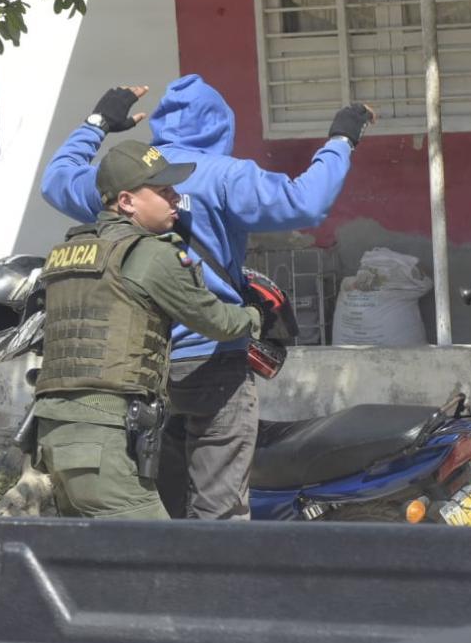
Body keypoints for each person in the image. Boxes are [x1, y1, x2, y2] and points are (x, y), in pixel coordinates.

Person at [42, 77, 375, 519]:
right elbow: (305, 202)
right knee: (218, 507)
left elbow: (56, 180)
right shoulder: (226, 175)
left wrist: (96, 123)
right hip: (212, 356)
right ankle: (216, 577)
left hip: (142, 369)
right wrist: (341, 139)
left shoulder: (125, 183)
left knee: (161, 496)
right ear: (222, 126)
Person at [31, 139, 263, 520]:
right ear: (126, 201)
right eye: (163, 191)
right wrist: (255, 316)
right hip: (105, 442)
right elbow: (220, 323)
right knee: (161, 562)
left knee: (104, 565)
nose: (176, 198)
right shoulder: (150, 255)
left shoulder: (66, 254)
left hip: (54, 437)